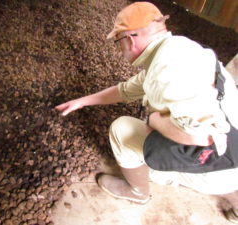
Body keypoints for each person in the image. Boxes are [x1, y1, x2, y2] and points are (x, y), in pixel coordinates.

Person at [55, 2, 238, 223]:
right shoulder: (178, 49)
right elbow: (125, 90)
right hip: (234, 144)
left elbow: (201, 137)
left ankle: (138, 192)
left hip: (218, 166)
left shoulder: (165, 73)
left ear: (130, 39)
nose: (119, 49)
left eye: (117, 42)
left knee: (121, 129)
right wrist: (81, 102)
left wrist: (154, 119)